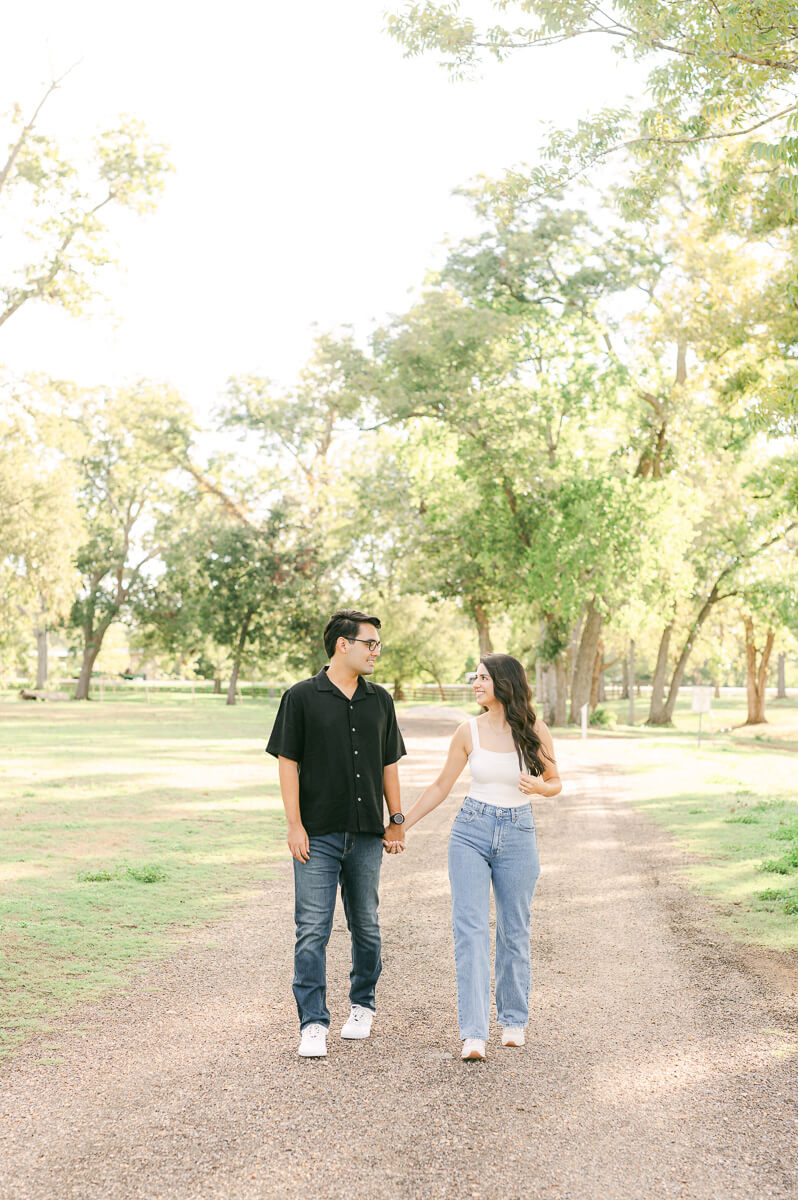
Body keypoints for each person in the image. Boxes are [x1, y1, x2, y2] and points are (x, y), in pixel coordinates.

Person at [398, 654, 561, 1061]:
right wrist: (402, 823)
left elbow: (555, 782)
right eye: (475, 677)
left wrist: (539, 789)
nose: (476, 683)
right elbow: (440, 786)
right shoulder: (466, 731)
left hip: (519, 833)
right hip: (470, 830)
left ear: (504, 683)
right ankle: (473, 1032)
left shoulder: (533, 730)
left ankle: (513, 1021)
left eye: (483, 677)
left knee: (514, 929)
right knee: (469, 931)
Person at [267, 609, 407, 1058]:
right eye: (370, 644)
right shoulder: (301, 697)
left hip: (367, 835)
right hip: (317, 835)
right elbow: (288, 763)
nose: (376, 652)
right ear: (342, 645)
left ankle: (362, 1005)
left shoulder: (380, 701)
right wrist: (294, 825)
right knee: (312, 929)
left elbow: (389, 765)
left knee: (366, 925)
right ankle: (312, 1023)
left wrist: (396, 820)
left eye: (378, 644)